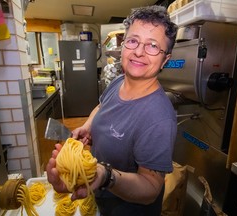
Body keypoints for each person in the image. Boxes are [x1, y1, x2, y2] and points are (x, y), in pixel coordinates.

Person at [47, 5, 178, 216]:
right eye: (133, 40)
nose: (138, 51)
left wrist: (105, 176)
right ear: (124, 45)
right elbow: (102, 106)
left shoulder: (159, 117)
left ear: (165, 59)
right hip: (101, 200)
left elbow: (151, 188)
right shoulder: (118, 81)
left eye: (153, 46)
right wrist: (88, 126)